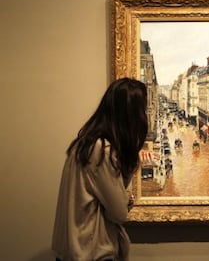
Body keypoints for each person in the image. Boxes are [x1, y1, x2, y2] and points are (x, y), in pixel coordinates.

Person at [52, 78, 148, 261]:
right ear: (131, 115)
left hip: (71, 252)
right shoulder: (102, 152)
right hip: (91, 254)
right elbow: (119, 212)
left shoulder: (83, 145)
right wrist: (128, 198)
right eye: (141, 110)